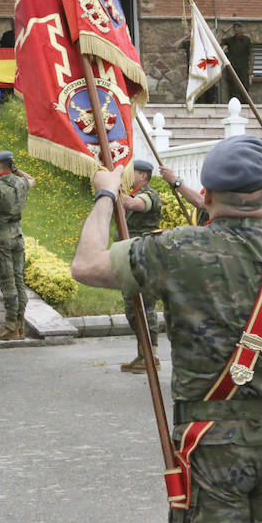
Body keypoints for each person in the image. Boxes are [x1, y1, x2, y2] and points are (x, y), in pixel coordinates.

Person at [72, 135, 262, 523]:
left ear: (205, 197)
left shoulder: (172, 250)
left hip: (208, 444)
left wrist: (106, 194)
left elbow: (86, 265)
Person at [116, 159, 162, 373]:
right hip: (130, 253)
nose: (129, 176)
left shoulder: (150, 195)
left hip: (144, 254)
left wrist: (116, 189)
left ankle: (151, 354)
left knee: (145, 304)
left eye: (132, 173)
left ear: (143, 176)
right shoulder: (134, 193)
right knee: (132, 307)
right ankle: (142, 351)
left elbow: (134, 205)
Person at [0, 150, 35, 341]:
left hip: (3, 237)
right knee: (19, 280)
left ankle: (11, 327)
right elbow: (32, 180)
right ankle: (20, 326)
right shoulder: (21, 183)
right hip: (18, 235)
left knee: (8, 282)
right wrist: (18, 170)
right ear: (11, 166)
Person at [220, 21, 253, 101]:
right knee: (233, 90)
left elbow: (251, 55)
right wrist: (225, 31)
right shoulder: (230, 40)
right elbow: (219, 43)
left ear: (242, 28)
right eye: (235, 27)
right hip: (233, 69)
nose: (236, 29)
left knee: (244, 90)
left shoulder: (247, 40)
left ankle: (245, 107)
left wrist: (251, 70)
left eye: (238, 27)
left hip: (243, 69)